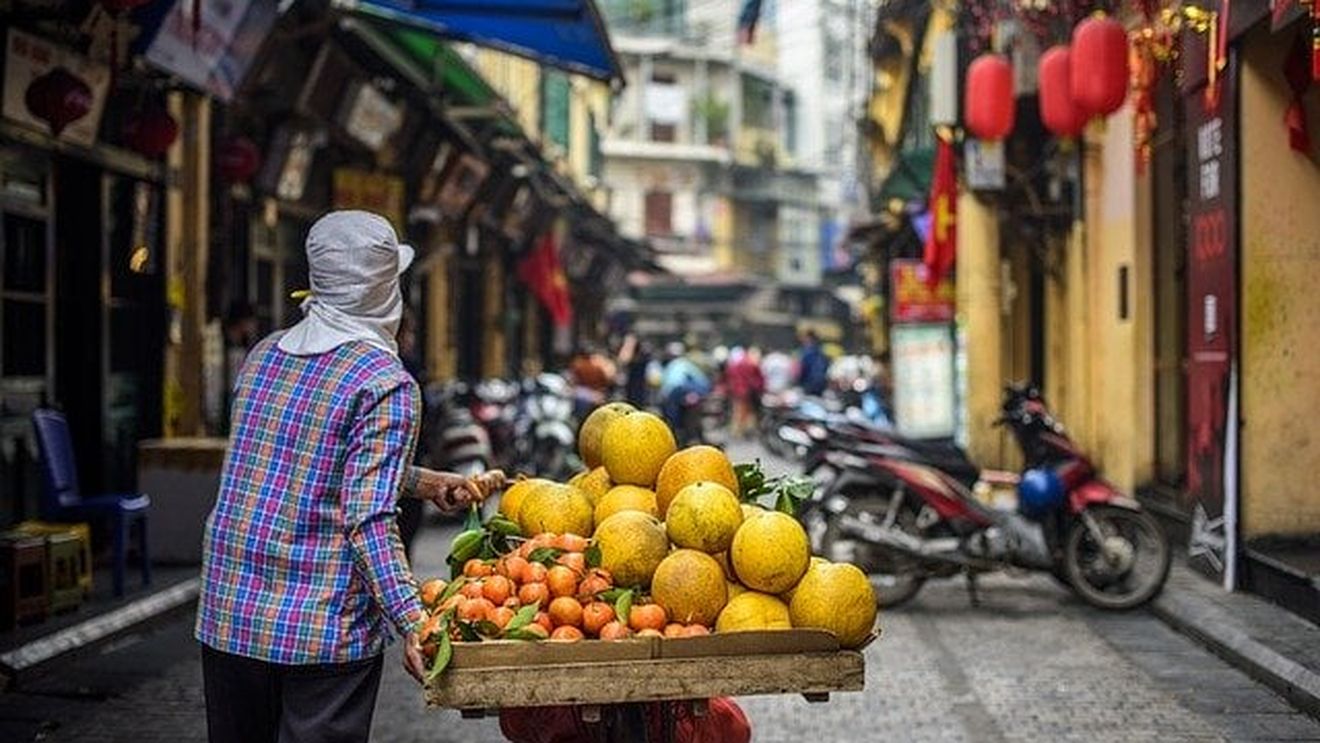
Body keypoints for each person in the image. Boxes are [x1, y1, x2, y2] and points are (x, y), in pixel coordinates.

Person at [196, 211, 485, 743]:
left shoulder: (264, 355)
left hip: (229, 614)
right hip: (319, 629)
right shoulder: (384, 382)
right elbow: (367, 516)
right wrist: (414, 620)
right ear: (385, 291)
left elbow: (304, 461)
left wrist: (421, 481)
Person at [726, 346, 765, 439]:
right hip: (748, 392)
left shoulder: (734, 366)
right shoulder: (751, 365)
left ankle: (737, 432)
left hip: (737, 392)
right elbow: (757, 380)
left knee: (738, 412)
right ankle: (746, 431)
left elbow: (729, 378)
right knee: (749, 412)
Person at [797, 329, 829, 396]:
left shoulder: (807, 352)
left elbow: (801, 370)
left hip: (808, 385)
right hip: (821, 387)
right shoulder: (821, 352)